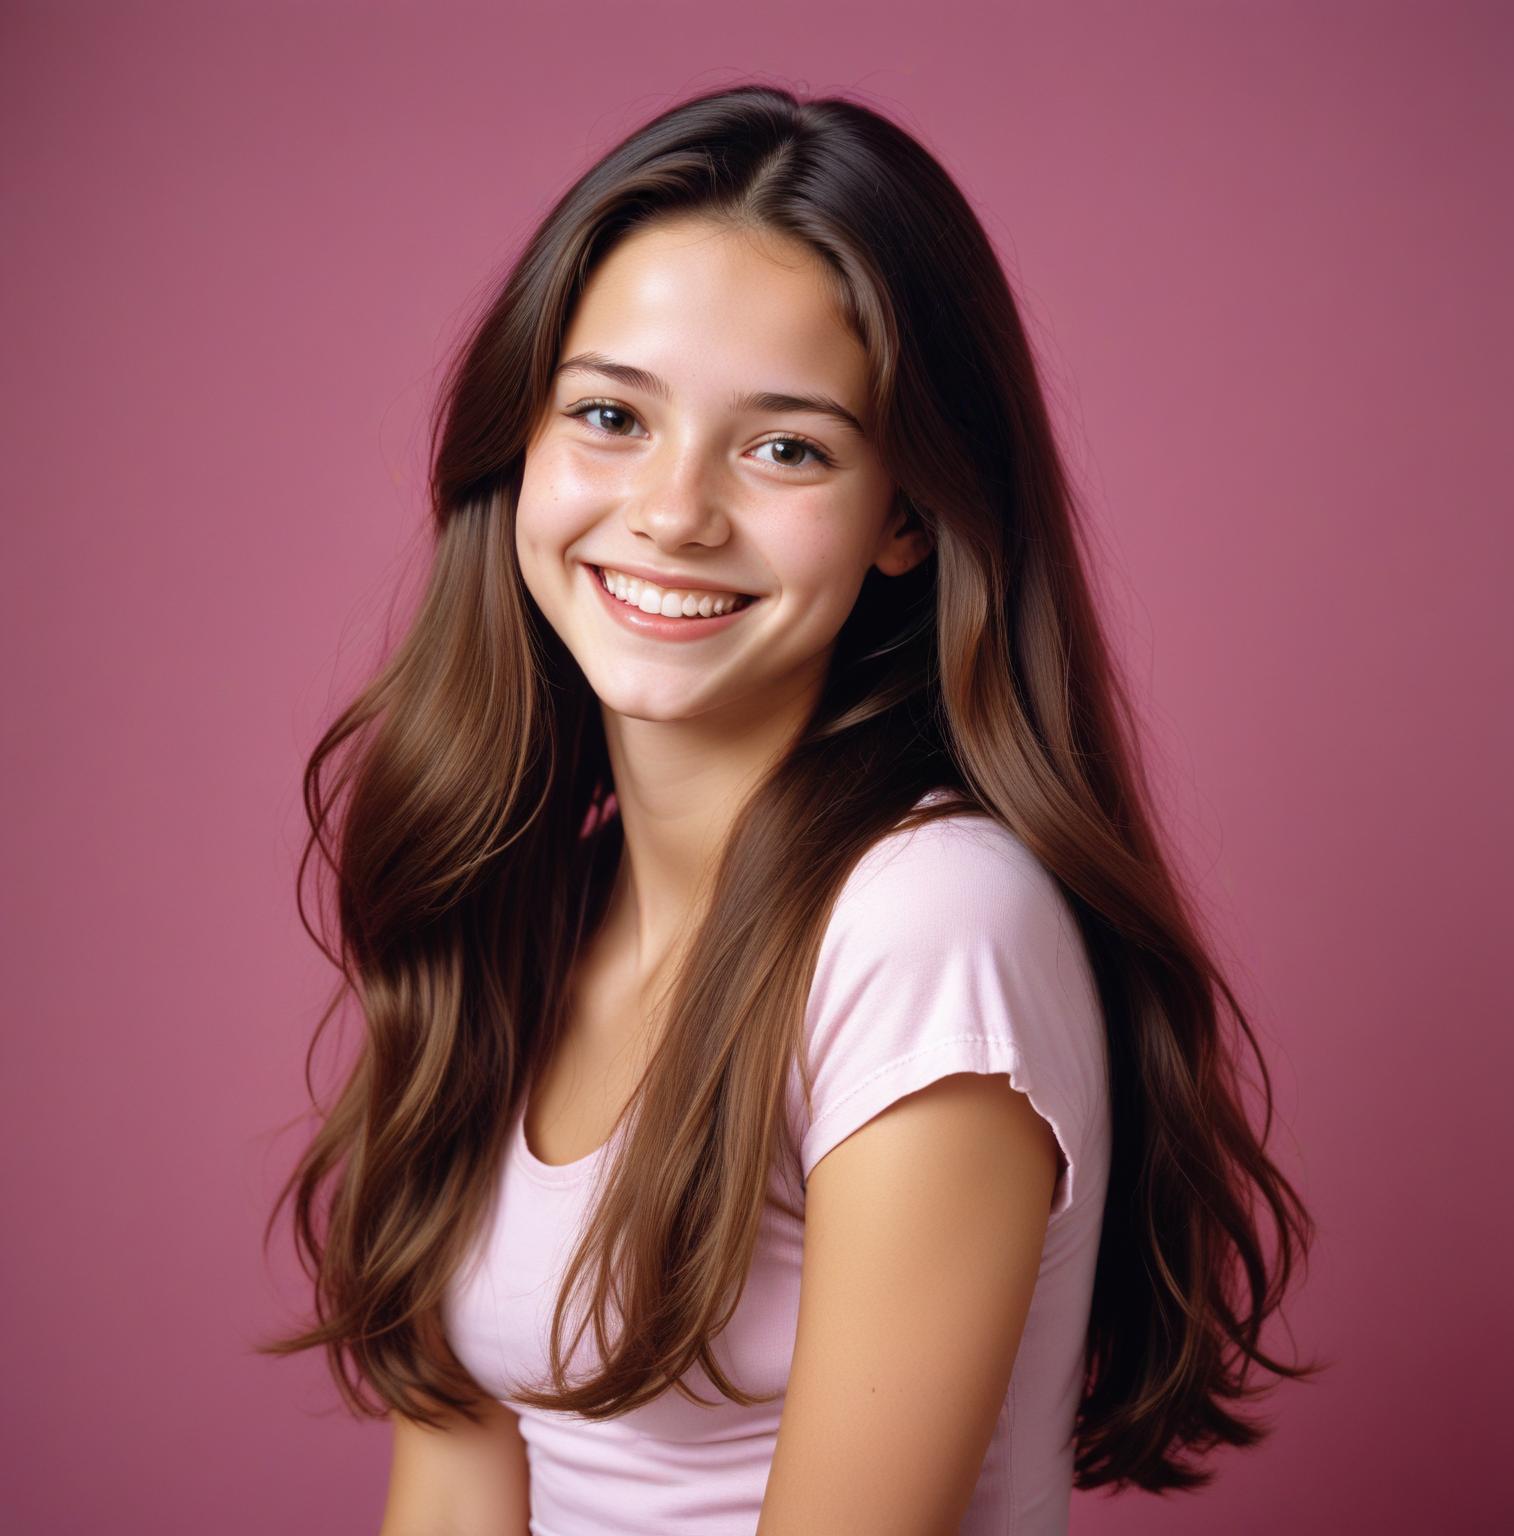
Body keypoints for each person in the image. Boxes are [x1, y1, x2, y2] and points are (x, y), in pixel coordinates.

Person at [259, 83, 1323, 1536]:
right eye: (612, 416)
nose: (674, 511)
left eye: (785, 448)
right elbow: (452, 1482)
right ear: (525, 445)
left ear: (907, 514)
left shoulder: (928, 921)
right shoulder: (531, 902)